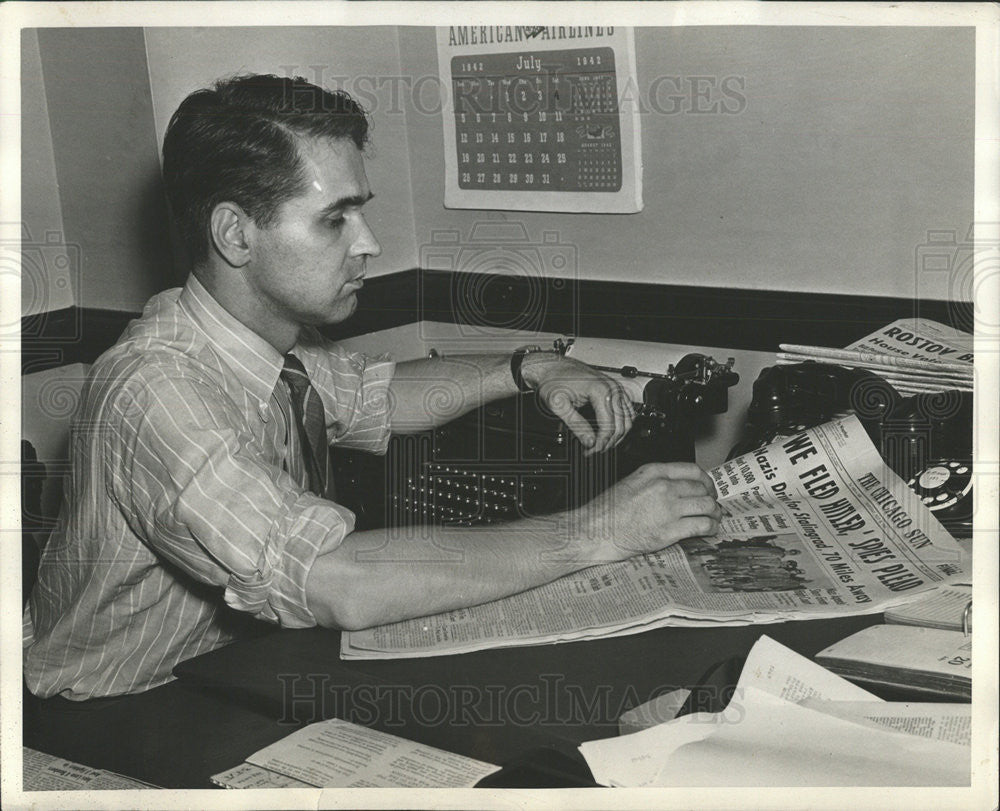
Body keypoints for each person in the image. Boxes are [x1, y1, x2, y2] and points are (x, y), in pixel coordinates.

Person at [24, 74, 721, 702]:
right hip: (112, 713)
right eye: (336, 218)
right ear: (235, 232)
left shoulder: (257, 340)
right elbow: (337, 581)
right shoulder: (157, 391)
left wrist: (530, 366)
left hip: (232, 678)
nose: (370, 243)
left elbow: (381, 395)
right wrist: (596, 533)